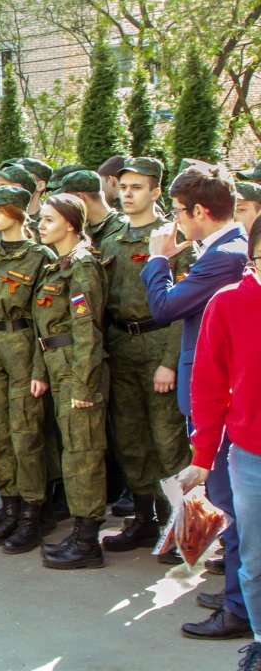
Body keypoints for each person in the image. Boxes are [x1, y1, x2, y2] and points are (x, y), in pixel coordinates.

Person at [141, 163, 250, 640]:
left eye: (180, 212)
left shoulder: (226, 255)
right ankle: (239, 590)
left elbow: (166, 307)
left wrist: (157, 260)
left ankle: (240, 608)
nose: (177, 221)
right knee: (229, 501)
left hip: (224, 403)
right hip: (215, 395)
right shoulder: (220, 250)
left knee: (232, 502)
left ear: (201, 211)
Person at [99, 158, 193, 559]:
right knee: (130, 438)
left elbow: (186, 307)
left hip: (158, 343)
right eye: (124, 186)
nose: (128, 193)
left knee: (168, 441)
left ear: (156, 191)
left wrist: (170, 361)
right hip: (121, 346)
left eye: (138, 187)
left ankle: (183, 526)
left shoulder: (173, 237)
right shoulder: (111, 237)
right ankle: (142, 519)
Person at [178, 219, 261, 668]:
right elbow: (210, 387)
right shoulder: (228, 304)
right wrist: (203, 456)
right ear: (252, 258)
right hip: (251, 456)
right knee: (255, 556)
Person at [0, 185, 57, 554]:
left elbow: (47, 320)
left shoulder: (40, 257)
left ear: (20, 212)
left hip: (22, 345)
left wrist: (40, 368)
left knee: (26, 434)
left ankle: (32, 514)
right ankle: (9, 506)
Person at [30, 194, 110, 570]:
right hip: (58, 365)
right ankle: (79, 531)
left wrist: (84, 385)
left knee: (84, 452)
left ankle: (88, 540)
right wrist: (40, 372)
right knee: (72, 450)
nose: (40, 225)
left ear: (72, 225)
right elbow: (44, 328)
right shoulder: (56, 266)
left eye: (48, 220)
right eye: (41, 219)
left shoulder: (83, 267)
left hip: (77, 370)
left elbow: (88, 332)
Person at [54, 170, 129, 259]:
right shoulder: (80, 231)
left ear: (79, 197)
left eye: (67, 199)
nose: (64, 204)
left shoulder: (123, 228)